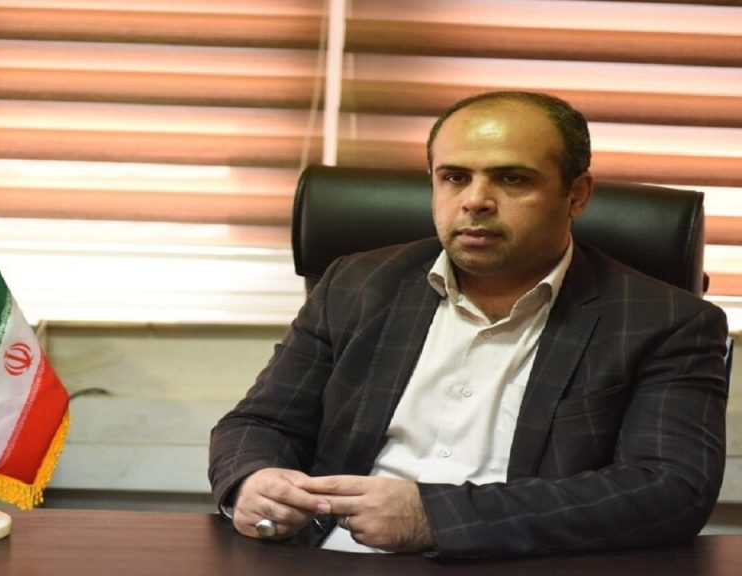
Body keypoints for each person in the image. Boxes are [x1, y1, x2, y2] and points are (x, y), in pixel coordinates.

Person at [208, 90, 729, 558]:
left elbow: (668, 489)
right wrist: (253, 480)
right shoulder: (357, 284)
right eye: (454, 177)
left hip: (519, 562)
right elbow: (261, 424)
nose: (475, 200)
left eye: (512, 178)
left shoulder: (667, 322)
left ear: (576, 195)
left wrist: (434, 519)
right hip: (334, 554)